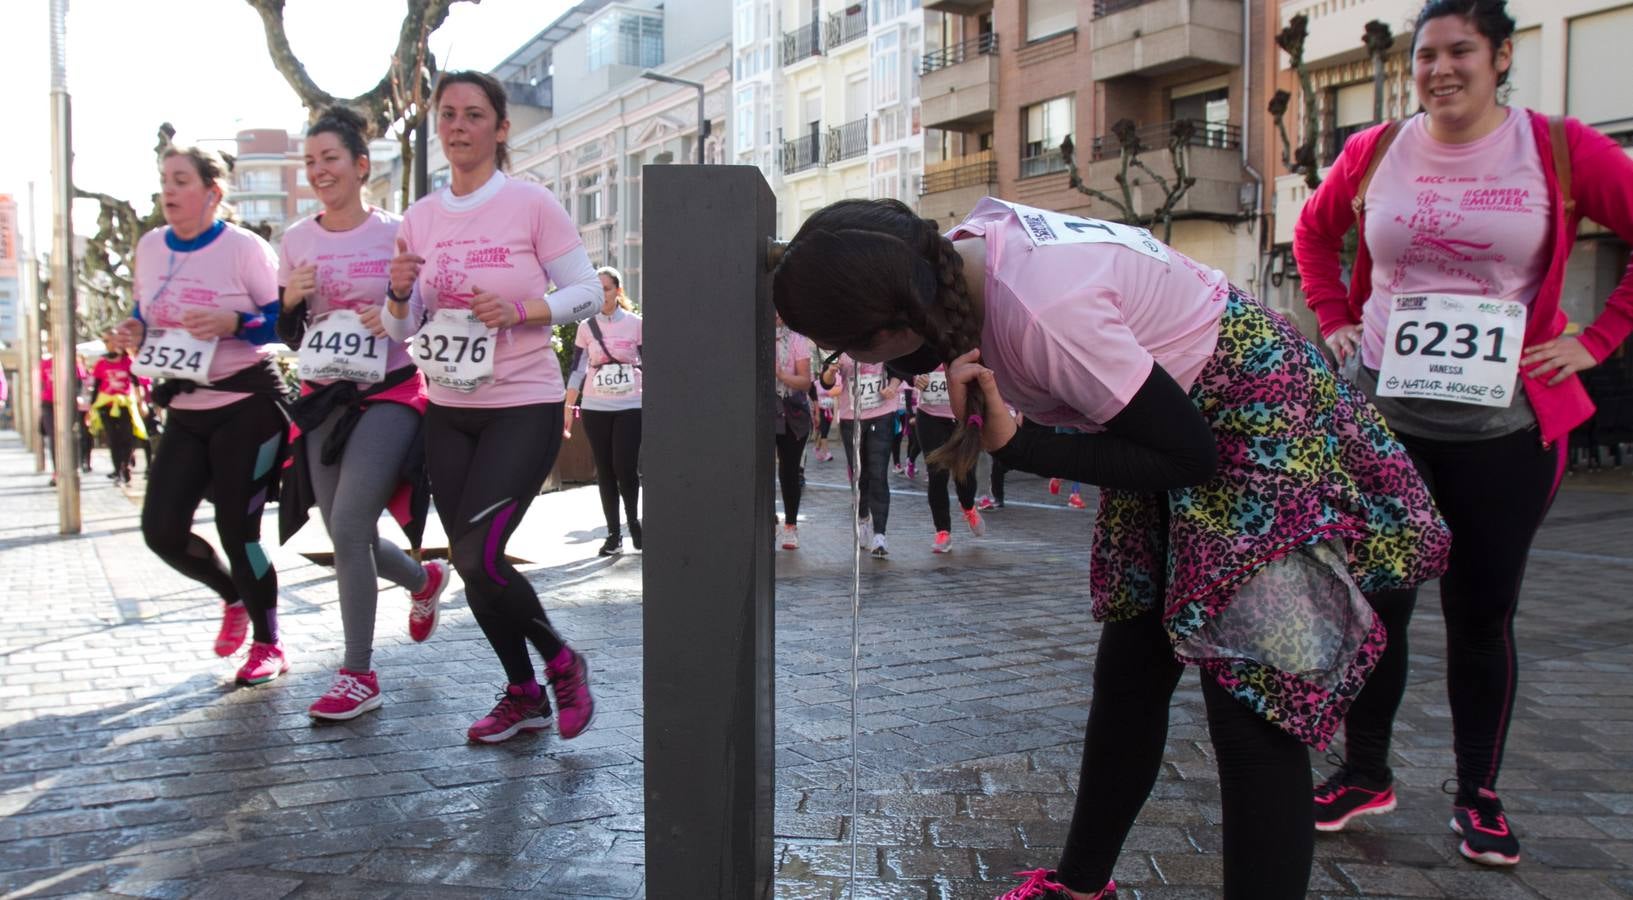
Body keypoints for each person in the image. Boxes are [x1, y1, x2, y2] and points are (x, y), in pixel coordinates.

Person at [773, 197, 1450, 899]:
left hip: (1250, 420)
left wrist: (1021, 444)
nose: (849, 361)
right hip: (1169, 411)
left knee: (1251, 716)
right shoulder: (946, 261)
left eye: (845, 344)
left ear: (892, 325)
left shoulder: (1043, 314)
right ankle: (1080, 886)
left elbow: (1188, 455)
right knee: (1129, 674)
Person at [1293, 0, 1633, 866]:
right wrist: (1333, 315)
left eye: (1460, 51)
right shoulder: (1375, 151)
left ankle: (1477, 794)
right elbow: (1314, 230)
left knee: (1480, 617)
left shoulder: (1557, 149)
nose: (1440, 69)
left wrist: (1594, 340)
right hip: (1386, 425)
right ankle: (1364, 772)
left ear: (1501, 55)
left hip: (1505, 430)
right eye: (1425, 55)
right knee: (1379, 609)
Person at [381, 70, 600, 744]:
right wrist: (395, 294)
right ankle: (522, 690)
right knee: (478, 564)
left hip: (521, 404)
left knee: (480, 558)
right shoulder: (418, 217)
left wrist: (521, 309)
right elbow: (400, 330)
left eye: (474, 115)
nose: (457, 126)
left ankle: (562, 662)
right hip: (448, 408)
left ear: (500, 129)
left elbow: (587, 292)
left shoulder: (530, 204)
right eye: (447, 114)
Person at [275, 107, 447, 721]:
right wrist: (290, 299)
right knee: (346, 533)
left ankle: (358, 674)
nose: (319, 171)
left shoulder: (399, 232)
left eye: (331, 159)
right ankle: (424, 582)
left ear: (360, 165)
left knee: (349, 525)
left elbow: (420, 320)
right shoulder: (296, 239)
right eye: (311, 161)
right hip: (323, 398)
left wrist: (394, 307)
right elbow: (290, 332)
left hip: (391, 393)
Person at [115, 144, 292, 685]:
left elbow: (284, 321)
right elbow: (145, 315)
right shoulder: (150, 247)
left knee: (238, 530)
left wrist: (233, 322)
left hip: (248, 405)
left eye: (180, 180)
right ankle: (232, 595)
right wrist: (132, 332)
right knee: (161, 530)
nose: (168, 190)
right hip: (187, 403)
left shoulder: (244, 249)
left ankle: (268, 643)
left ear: (212, 193)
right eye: (164, 179)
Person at [563, 267, 644, 557]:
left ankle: (634, 520)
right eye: (597, 291)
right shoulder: (586, 327)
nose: (603, 295)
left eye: (607, 289)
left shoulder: (636, 324)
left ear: (618, 291)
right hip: (596, 406)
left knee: (625, 466)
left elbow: (651, 364)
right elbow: (577, 369)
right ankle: (613, 534)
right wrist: (569, 405)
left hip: (631, 404)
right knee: (605, 470)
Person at [819, 354, 902, 558]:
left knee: (878, 473)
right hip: (851, 417)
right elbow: (826, 382)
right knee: (859, 474)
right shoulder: (843, 344)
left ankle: (880, 535)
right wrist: (831, 371)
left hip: (882, 412)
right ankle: (863, 518)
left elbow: (899, 367)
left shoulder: (883, 341)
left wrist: (892, 385)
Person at [913, 364, 985, 553]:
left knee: (965, 472)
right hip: (930, 416)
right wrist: (915, 377)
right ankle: (943, 531)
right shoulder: (925, 342)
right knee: (937, 474)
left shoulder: (963, 343)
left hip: (961, 416)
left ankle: (968, 506)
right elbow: (902, 364)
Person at [88, 333, 144, 484]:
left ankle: (125, 466)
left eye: (110, 340)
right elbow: (96, 387)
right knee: (113, 439)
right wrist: (90, 408)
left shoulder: (128, 362)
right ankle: (118, 468)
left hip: (125, 405)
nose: (108, 344)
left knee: (127, 437)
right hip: (106, 406)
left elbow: (137, 383)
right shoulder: (101, 364)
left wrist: (141, 403)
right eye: (106, 341)